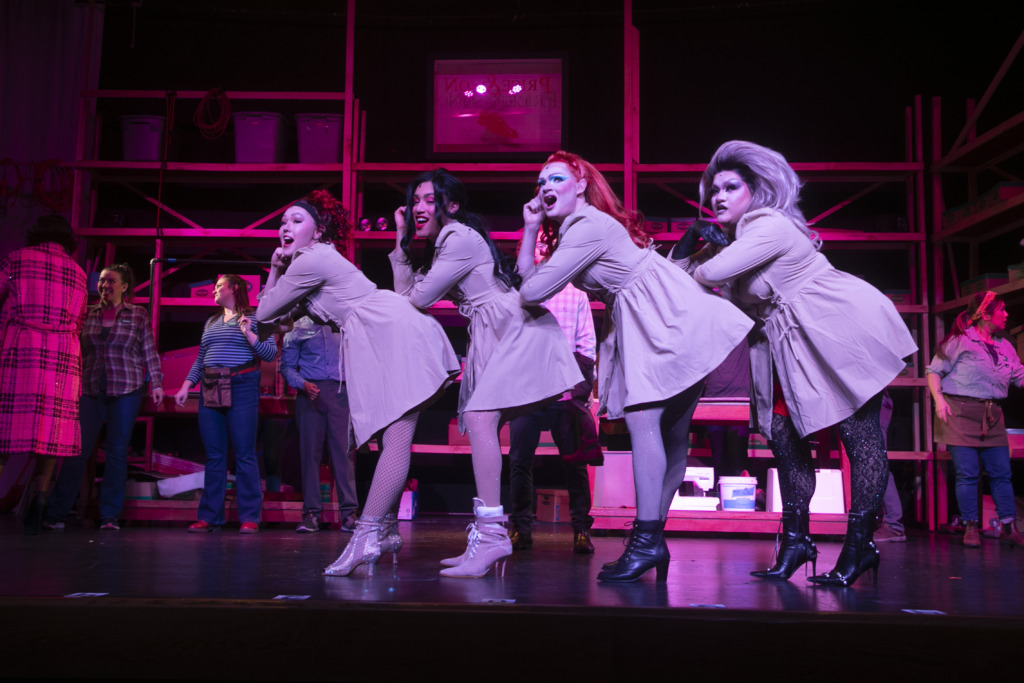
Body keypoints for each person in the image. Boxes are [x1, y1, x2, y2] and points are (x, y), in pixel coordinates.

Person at [673, 140, 917, 586]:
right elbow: (679, 284)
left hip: (835, 331)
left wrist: (700, 258)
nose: (718, 198)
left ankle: (860, 546)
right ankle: (796, 541)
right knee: (783, 441)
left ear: (755, 191)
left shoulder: (770, 226)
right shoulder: (738, 242)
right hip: (787, 348)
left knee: (859, 438)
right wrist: (688, 247)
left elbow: (705, 277)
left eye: (730, 187)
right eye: (713, 193)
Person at [518, 151, 753, 582]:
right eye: (540, 182)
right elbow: (530, 283)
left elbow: (531, 290)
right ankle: (652, 540)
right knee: (673, 435)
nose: (545, 187)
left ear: (581, 184)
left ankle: (646, 541)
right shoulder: (582, 228)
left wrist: (532, 228)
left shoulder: (586, 226)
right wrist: (533, 227)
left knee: (648, 421)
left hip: (656, 314)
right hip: (657, 309)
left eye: (555, 178)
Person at [255, 189, 460, 576]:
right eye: (283, 222)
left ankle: (368, 535)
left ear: (318, 233)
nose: (286, 227)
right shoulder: (315, 263)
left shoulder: (311, 260)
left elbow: (264, 311)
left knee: (396, 437)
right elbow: (273, 324)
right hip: (379, 332)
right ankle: (381, 530)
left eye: (297, 220)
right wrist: (278, 270)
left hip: (387, 331)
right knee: (393, 438)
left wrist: (276, 267)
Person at [391, 168, 583, 579]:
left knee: (481, 420)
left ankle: (492, 533)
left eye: (429, 200)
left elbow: (417, 299)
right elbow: (404, 294)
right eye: (415, 200)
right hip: (492, 332)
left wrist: (403, 246)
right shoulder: (447, 241)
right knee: (483, 423)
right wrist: (400, 238)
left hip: (511, 327)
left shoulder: (458, 237)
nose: (420, 207)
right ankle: (488, 533)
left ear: (452, 205)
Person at [44, 263, 164, 531]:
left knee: (116, 453)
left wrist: (156, 382)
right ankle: (57, 514)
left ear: (124, 287)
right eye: (101, 281)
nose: (105, 285)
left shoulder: (137, 314)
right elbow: (77, 351)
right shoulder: (87, 314)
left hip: (126, 388)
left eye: (111, 281)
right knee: (77, 451)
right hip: (90, 388)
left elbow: (148, 350)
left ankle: (109, 516)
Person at [507, 238, 599, 555]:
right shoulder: (519, 292)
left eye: (550, 243)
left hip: (564, 389)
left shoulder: (574, 292)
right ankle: (520, 529)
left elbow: (586, 342)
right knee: (520, 462)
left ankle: (581, 531)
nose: (544, 248)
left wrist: (582, 389)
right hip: (527, 390)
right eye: (539, 243)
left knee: (575, 464)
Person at [0, 215, 88, 534]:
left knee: (5, 427)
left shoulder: (16, 260)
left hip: (23, 349)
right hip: (63, 354)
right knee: (52, 433)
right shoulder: (78, 273)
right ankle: (39, 502)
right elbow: (78, 320)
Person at [174, 274, 277, 533]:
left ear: (235, 289)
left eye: (220, 286)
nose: (214, 290)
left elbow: (269, 354)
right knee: (215, 455)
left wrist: (249, 334)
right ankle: (210, 516)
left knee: (244, 453)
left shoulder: (254, 318)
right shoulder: (211, 322)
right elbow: (201, 358)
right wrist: (187, 385)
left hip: (241, 384)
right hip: (211, 385)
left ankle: (250, 517)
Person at [926, 291, 1024, 548]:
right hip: (959, 412)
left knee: (1002, 473)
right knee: (967, 473)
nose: (1006, 314)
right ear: (985, 313)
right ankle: (970, 525)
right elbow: (934, 371)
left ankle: (1008, 525)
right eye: (1001, 309)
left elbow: (1019, 376)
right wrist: (939, 401)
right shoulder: (960, 341)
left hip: (992, 415)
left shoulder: (1004, 345)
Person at [280, 315, 359, 533]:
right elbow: (286, 366)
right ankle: (311, 515)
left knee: (343, 454)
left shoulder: (345, 323)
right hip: (310, 394)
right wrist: (302, 384)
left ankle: (349, 515)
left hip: (340, 393)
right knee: (309, 455)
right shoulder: (298, 326)